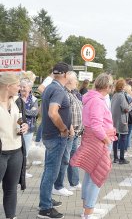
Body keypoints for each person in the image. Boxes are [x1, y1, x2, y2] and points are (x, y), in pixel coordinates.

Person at [69, 73, 116, 219]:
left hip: (93, 139)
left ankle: (87, 209)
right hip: (99, 141)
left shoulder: (92, 98)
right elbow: (96, 126)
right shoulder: (97, 101)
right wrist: (107, 141)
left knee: (90, 175)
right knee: (97, 176)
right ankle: (88, 213)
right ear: (107, 86)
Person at [38, 62, 73, 219]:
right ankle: (45, 207)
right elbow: (53, 113)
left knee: (48, 170)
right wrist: (63, 129)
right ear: (65, 74)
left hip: (49, 135)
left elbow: (42, 110)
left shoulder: (49, 88)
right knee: (51, 172)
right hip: (56, 136)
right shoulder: (58, 90)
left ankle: (46, 200)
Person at [0, 72, 29, 219]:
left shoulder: (18, 101)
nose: (20, 88)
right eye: (17, 85)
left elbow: (21, 120)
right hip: (1, 153)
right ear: (7, 86)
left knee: (11, 189)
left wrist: (25, 126)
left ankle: (11, 216)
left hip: (16, 152)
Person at [52, 71, 82, 197]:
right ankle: (58, 186)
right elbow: (63, 113)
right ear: (70, 81)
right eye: (76, 80)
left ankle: (74, 182)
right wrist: (69, 128)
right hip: (70, 132)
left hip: (76, 132)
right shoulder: (64, 93)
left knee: (73, 158)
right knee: (65, 159)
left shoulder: (72, 93)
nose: (77, 82)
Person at [19, 78, 39, 178]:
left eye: (24, 87)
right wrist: (28, 111)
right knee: (17, 151)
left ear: (30, 88)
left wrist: (21, 111)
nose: (22, 89)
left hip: (29, 129)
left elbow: (34, 113)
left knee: (25, 152)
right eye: (20, 86)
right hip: (16, 129)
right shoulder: (15, 98)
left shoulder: (34, 100)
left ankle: (23, 172)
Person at [111, 79, 132, 164]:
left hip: (114, 120)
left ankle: (115, 157)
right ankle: (122, 158)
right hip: (122, 120)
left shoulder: (114, 95)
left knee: (115, 139)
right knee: (123, 139)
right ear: (123, 87)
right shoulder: (122, 95)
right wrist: (131, 105)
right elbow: (126, 109)